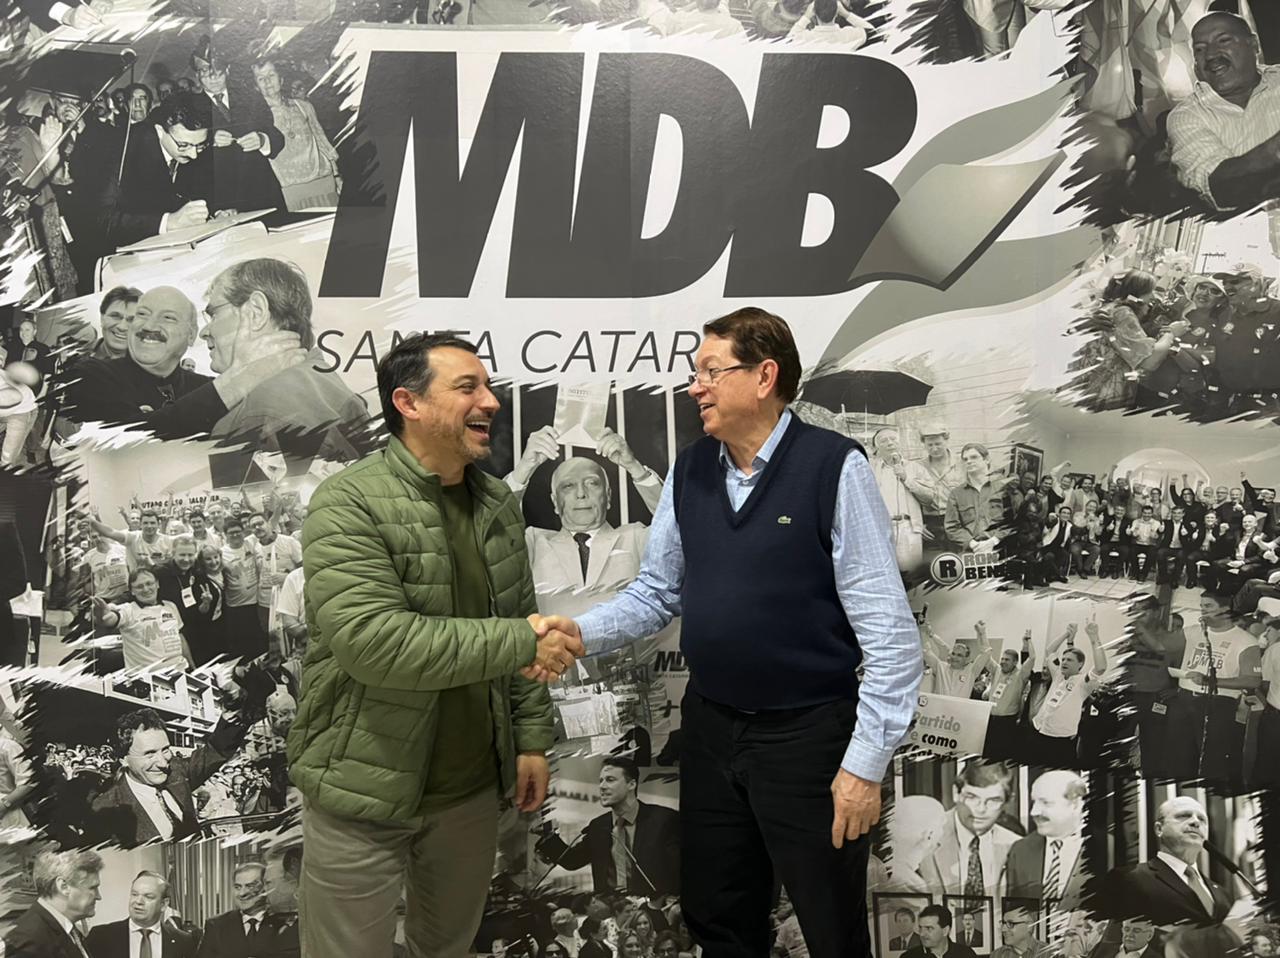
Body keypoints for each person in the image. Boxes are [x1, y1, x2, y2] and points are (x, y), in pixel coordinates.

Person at [537, 308, 922, 957]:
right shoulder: (690, 470)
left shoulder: (834, 467)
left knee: (829, 927)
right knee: (719, 918)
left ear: (764, 376)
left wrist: (863, 766)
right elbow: (657, 592)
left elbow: (890, 635)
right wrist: (577, 631)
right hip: (712, 731)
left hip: (808, 737)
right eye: (698, 374)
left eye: (712, 372)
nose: (696, 387)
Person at [287, 333, 572, 958]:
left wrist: (530, 739)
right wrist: (523, 638)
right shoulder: (348, 501)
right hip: (362, 790)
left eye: (488, 387)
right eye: (468, 387)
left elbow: (517, 617)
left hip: (469, 793)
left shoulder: (496, 502)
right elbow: (373, 643)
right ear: (408, 403)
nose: (491, 401)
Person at [199, 258, 368, 444]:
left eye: (213, 314)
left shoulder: (264, 411)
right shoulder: (323, 385)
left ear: (256, 311)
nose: (203, 332)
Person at [1167, 13, 1280, 211]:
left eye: (1223, 40)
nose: (1210, 55)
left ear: (1254, 45)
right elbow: (1220, 187)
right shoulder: (1186, 116)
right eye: (1200, 49)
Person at [88, 706, 247, 846]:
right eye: (150, 754)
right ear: (124, 759)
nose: (163, 763)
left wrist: (232, 711)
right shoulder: (104, 810)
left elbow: (216, 750)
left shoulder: (177, 771)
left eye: (165, 750)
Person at [534, 757, 681, 895]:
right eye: (601, 781)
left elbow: (679, 871)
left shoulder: (664, 820)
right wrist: (547, 836)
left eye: (610, 780)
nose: (602, 786)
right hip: (608, 907)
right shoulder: (598, 826)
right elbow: (573, 861)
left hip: (651, 907)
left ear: (631, 784)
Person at [91, 91, 214, 250]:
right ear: (160, 131)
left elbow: (191, 192)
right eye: (183, 145)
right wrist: (168, 222)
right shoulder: (122, 150)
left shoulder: (191, 145)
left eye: (200, 145)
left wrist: (215, 212)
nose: (193, 155)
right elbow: (103, 220)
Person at [1085, 796, 1232, 926]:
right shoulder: (1126, 879)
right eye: (1184, 816)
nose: (1195, 822)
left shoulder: (1224, 895)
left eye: (1202, 819)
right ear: (1159, 829)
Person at [1165, 591, 1261, 782]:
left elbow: (1252, 680)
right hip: (1184, 699)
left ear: (1225, 609)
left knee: (1212, 760)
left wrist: (1211, 681)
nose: (1203, 610)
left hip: (1218, 703)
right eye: (1201, 606)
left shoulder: (1246, 641)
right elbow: (1161, 649)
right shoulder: (1191, 632)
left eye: (1208, 606)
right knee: (1178, 756)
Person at [920, 760, 1021, 897]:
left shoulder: (1016, 847)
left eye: (993, 801)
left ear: (1007, 802)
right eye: (971, 797)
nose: (980, 809)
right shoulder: (922, 840)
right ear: (956, 793)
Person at [251, 59, 341, 210]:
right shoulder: (256, 117)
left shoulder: (304, 106)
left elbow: (322, 141)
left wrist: (337, 176)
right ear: (256, 86)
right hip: (290, 190)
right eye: (261, 78)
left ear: (281, 79)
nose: (267, 81)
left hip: (323, 181)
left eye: (271, 75)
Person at [1001, 770, 1088, 908]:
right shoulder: (1020, 850)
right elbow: (1014, 913)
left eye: (1046, 803)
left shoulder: (1109, 850)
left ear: (1075, 804)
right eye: (1034, 802)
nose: (1034, 812)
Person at [2, 849, 104, 957]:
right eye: (92, 888)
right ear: (63, 886)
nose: (99, 897)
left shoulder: (68, 930)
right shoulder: (28, 940)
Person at [91, 567, 195, 670]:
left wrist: (192, 666)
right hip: (148, 677)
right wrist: (101, 615)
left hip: (180, 671)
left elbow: (180, 638)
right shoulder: (128, 610)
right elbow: (109, 620)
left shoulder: (171, 606)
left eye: (149, 583)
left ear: (157, 584)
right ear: (132, 591)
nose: (145, 589)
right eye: (139, 587)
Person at [85, 871, 198, 958]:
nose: (138, 901)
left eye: (148, 897)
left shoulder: (184, 941)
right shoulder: (101, 936)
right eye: (134, 894)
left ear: (164, 904)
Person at [869, 426, 925, 569]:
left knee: (912, 574)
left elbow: (930, 497)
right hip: (881, 528)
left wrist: (906, 478)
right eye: (883, 441)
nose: (890, 443)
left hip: (909, 527)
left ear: (900, 443)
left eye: (893, 439)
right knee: (885, 571)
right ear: (876, 448)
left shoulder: (915, 467)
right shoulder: (870, 469)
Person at [197, 863, 270, 958]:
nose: (242, 893)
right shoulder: (216, 926)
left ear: (266, 887)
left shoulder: (281, 923)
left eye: (250, 886)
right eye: (237, 887)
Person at [944, 443, 1004, 552]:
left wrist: (993, 541)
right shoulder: (956, 494)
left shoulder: (1003, 488)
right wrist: (972, 544)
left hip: (1001, 550)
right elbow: (952, 527)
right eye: (965, 459)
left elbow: (1014, 522)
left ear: (987, 460)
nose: (969, 461)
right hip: (970, 552)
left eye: (974, 457)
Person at [901, 904, 977, 958]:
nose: (922, 934)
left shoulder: (967, 954)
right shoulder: (908, 957)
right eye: (920, 928)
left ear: (945, 931)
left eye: (929, 928)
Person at [1087, 918, 1159, 958]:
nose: (1129, 934)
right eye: (1126, 929)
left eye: (1136, 931)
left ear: (1149, 936)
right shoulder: (1102, 948)